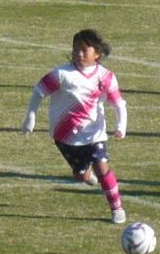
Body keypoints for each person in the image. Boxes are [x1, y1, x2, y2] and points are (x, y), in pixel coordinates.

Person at [21, 29, 129, 224]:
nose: (79, 54)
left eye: (84, 50)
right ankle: (85, 175)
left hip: (95, 134)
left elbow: (118, 103)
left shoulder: (105, 77)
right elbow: (39, 91)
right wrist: (31, 117)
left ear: (97, 53)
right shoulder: (62, 74)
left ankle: (117, 208)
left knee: (102, 168)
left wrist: (121, 125)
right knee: (81, 175)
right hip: (64, 137)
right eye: (76, 49)